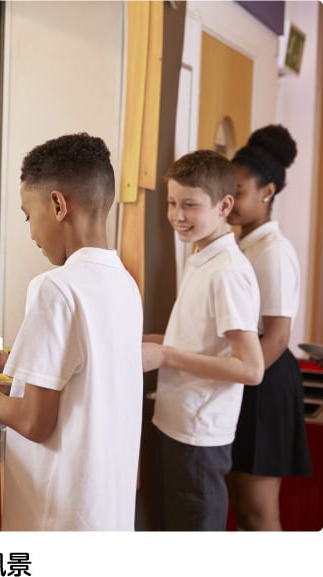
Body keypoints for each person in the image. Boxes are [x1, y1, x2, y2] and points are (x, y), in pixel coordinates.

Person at [0, 134, 144, 530]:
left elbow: (34, 422)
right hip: (106, 511)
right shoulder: (123, 283)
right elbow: (79, 373)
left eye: (27, 215)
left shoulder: (56, 287)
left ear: (57, 204)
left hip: (59, 516)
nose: (31, 232)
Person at [142, 149, 265, 531]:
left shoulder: (227, 272)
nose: (178, 215)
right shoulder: (202, 258)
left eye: (191, 205)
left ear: (224, 205)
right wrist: (152, 340)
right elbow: (202, 340)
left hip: (199, 437)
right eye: (173, 203)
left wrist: (164, 355)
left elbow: (250, 367)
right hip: (174, 423)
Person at [225, 125, 312, 530]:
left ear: (268, 191)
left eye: (239, 191)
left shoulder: (273, 252)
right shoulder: (245, 244)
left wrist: (236, 378)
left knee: (259, 512)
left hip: (265, 381)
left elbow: (277, 336)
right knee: (242, 510)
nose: (230, 201)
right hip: (248, 377)